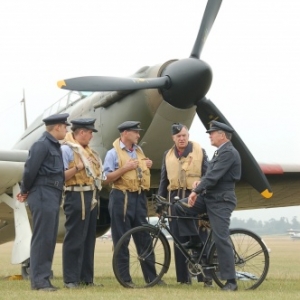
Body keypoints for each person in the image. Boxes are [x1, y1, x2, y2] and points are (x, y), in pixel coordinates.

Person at [174, 120, 241, 291]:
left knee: (220, 238)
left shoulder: (229, 153)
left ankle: (231, 281)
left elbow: (214, 177)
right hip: (209, 197)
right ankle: (195, 242)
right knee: (179, 206)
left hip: (221, 201)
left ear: (222, 135)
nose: (210, 135)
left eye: (212, 132)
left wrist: (196, 191)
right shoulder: (220, 152)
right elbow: (210, 175)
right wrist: (200, 182)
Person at [103, 121, 165, 286]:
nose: (138, 135)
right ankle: (125, 279)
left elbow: (139, 171)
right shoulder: (112, 153)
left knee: (144, 236)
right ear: (125, 133)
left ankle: (152, 278)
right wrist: (125, 168)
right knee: (122, 238)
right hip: (121, 198)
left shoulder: (139, 151)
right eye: (135, 132)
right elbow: (106, 178)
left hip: (139, 198)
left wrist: (147, 165)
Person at [16, 113, 70, 292]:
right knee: (42, 238)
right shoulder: (41, 145)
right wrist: (24, 191)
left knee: (48, 238)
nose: (66, 130)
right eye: (65, 126)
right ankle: (39, 281)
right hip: (42, 193)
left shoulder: (54, 146)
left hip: (52, 194)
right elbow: (29, 170)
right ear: (57, 127)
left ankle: (43, 279)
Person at [158, 123, 211, 286]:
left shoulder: (200, 151)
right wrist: (160, 205)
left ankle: (206, 277)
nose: (182, 139)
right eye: (178, 136)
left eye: (184, 136)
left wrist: (200, 184)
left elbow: (209, 174)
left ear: (188, 136)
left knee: (201, 237)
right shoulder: (167, 155)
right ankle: (183, 279)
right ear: (173, 138)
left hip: (195, 198)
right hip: (174, 200)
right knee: (179, 240)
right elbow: (163, 181)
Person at [61, 118, 104, 289]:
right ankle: (71, 279)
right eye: (90, 133)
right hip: (75, 195)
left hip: (91, 195)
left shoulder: (89, 152)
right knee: (74, 238)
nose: (91, 136)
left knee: (88, 239)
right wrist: (77, 168)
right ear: (81, 132)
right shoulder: (66, 149)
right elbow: (61, 175)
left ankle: (87, 278)